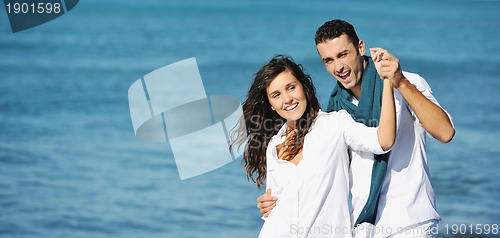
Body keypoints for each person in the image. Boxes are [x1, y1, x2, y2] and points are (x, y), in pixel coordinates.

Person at [257, 20, 455, 238]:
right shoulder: (335, 111)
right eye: (328, 60)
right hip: (365, 228)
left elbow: (445, 132)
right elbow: (320, 176)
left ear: (360, 47)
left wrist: (398, 82)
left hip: (409, 221)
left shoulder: (405, 83)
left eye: (343, 55)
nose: (338, 67)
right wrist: (275, 201)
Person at [233, 55, 396, 237]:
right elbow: (274, 206)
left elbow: (384, 141)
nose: (287, 99)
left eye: (291, 88)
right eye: (276, 95)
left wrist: (387, 82)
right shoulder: (274, 145)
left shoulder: (334, 124)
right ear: (270, 104)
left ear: (303, 87)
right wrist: (266, 205)